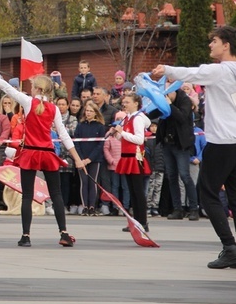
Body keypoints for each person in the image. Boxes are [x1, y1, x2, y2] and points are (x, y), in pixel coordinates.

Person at [0, 71, 86, 248]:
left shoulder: (28, 102)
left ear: (38, 88)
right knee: (56, 194)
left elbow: (6, 87)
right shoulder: (53, 108)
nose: (30, 89)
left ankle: (26, 235)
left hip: (30, 153)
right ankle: (63, 233)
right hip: (47, 153)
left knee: (27, 196)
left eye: (32, 87)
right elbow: (63, 135)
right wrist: (77, 159)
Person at [152, 26, 236, 268]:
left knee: (207, 194)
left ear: (227, 45)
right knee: (234, 196)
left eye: (214, 41)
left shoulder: (221, 70)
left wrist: (166, 69)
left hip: (221, 141)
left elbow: (193, 73)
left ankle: (229, 247)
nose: (211, 45)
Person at [153, 88, 199, 221]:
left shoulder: (184, 100)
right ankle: (177, 208)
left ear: (174, 92)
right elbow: (154, 114)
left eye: (168, 94)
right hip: (168, 143)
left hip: (181, 145)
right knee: (172, 176)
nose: (166, 96)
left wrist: (170, 105)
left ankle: (193, 208)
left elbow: (182, 117)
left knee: (185, 176)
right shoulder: (165, 102)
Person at [113, 93, 151, 233]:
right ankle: (135, 221)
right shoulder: (127, 118)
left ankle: (143, 222)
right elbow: (124, 139)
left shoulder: (137, 118)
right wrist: (117, 134)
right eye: (124, 102)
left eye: (128, 101)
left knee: (138, 191)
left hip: (135, 158)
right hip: (127, 157)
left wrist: (122, 133)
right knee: (132, 191)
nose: (125, 104)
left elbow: (139, 140)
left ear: (136, 103)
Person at [73, 101, 106, 215]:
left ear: (96, 113)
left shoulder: (100, 127)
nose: (88, 113)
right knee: (84, 182)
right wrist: (81, 159)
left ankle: (92, 206)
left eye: (91, 111)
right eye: (87, 110)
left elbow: (100, 145)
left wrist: (90, 159)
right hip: (81, 159)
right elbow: (76, 143)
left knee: (93, 182)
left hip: (94, 159)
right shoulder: (80, 125)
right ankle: (85, 206)